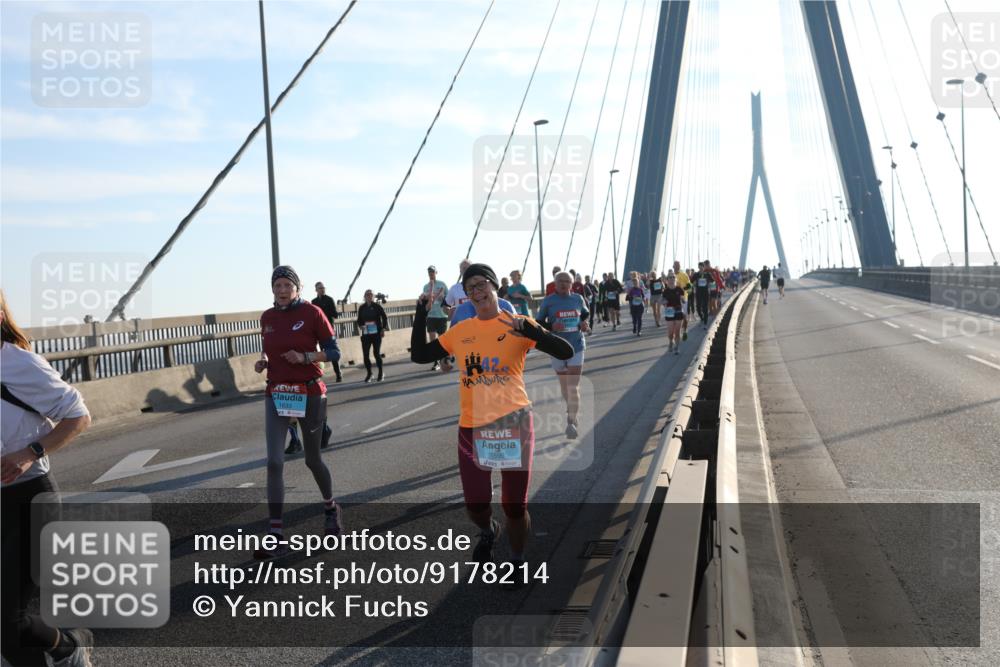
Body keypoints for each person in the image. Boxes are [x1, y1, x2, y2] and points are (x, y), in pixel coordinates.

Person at [409, 264, 573, 579]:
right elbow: (419, 355)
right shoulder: (461, 331)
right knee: (475, 504)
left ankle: (517, 560)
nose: (477, 291)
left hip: (515, 423)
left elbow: (565, 351)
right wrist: (420, 313)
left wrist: (534, 332)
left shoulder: (517, 324)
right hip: (473, 428)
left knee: (515, 505)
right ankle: (488, 530)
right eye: (470, 287)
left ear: (495, 287)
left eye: (481, 284)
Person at [1, 290, 94, 667]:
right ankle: (68, 648)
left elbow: (79, 416)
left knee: (8, 624)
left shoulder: (18, 364)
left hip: (28, 501)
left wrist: (29, 452)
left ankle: (69, 648)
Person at [253, 266, 343, 559]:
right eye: (277, 285)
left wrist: (305, 357)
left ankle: (330, 508)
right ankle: (276, 535)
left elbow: (334, 352)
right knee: (274, 462)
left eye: (286, 285)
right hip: (277, 392)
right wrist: (264, 361)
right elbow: (269, 347)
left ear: (297, 288)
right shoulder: (267, 317)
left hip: (309, 391)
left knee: (312, 459)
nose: (281, 290)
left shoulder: (313, 313)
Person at [536, 271, 590, 439]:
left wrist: (584, 323)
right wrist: (552, 326)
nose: (564, 284)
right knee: (565, 386)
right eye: (560, 281)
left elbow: (585, 314)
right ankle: (571, 409)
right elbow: (538, 323)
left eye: (567, 281)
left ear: (571, 284)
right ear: (555, 283)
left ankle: (571, 421)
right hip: (557, 348)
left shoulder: (577, 298)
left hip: (576, 346)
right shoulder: (548, 301)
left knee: (573, 387)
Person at [311, 282, 343, 382]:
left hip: (329, 330)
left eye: (323, 288)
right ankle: (318, 375)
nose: (322, 289)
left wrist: (325, 313)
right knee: (319, 354)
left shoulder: (329, 299)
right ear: (316, 290)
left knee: (332, 352)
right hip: (318, 332)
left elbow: (335, 314)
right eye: (320, 288)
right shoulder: (314, 301)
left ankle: (338, 374)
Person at [356, 289, 389, 383]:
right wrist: (361, 326)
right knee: (366, 355)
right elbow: (359, 320)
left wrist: (383, 328)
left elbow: (384, 317)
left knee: (376, 353)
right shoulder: (362, 307)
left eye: (371, 295)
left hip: (376, 333)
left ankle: (381, 373)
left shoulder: (377, 306)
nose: (369, 296)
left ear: (373, 296)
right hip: (366, 333)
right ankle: (369, 373)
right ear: (364, 297)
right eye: (367, 295)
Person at [423, 265, 449, 371]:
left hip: (442, 315)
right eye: (429, 272)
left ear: (436, 273)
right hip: (431, 316)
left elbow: (449, 298)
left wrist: (443, 298)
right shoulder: (426, 287)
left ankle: (443, 359)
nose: (431, 274)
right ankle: (436, 362)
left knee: (442, 340)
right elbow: (424, 300)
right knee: (433, 340)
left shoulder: (442, 284)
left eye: (432, 272)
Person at [661, 274, 687, 355]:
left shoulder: (679, 289)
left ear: (675, 279)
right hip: (669, 312)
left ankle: (677, 347)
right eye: (670, 277)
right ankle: (670, 341)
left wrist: (683, 300)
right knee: (670, 332)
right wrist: (664, 302)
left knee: (677, 331)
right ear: (667, 280)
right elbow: (662, 301)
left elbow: (683, 299)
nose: (672, 279)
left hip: (678, 311)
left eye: (673, 277)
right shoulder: (665, 291)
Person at [672, 261, 691, 341]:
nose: (677, 267)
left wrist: (683, 289)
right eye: (676, 265)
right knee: (674, 317)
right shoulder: (671, 276)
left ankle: (685, 331)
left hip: (683, 298)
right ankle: (677, 333)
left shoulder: (684, 275)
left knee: (684, 316)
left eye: (678, 265)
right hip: (674, 299)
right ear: (673, 266)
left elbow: (689, 286)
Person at [626, 272, 647, 336]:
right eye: (634, 283)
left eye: (636, 283)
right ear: (633, 283)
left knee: (639, 318)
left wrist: (642, 299)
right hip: (633, 306)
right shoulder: (631, 290)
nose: (635, 284)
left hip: (640, 305)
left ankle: (639, 331)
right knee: (634, 318)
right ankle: (634, 326)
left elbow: (643, 297)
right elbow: (627, 298)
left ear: (638, 283)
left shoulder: (640, 290)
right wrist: (632, 297)